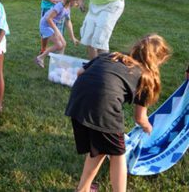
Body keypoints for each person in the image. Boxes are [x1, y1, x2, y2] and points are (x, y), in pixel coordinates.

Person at [65, 34, 171, 191]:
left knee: (99, 149)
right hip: (103, 107)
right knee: (118, 154)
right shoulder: (146, 78)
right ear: (158, 60)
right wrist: (148, 127)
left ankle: (83, 188)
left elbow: (80, 72)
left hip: (77, 101)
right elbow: (140, 118)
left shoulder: (112, 56)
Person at [35, 0, 80, 68]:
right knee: (59, 45)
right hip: (45, 25)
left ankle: (60, 62)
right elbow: (49, 18)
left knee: (63, 44)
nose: (76, 4)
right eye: (76, 1)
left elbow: (68, 22)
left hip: (50, 25)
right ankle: (40, 58)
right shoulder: (60, 6)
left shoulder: (67, 7)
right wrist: (56, 31)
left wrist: (73, 38)